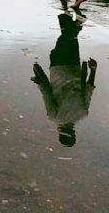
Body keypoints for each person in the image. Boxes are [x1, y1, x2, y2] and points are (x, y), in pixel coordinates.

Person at [31, 13, 97, 147]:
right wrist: (39, 78)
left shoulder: (83, 113)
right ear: (60, 132)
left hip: (75, 67)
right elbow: (47, 94)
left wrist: (93, 69)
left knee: (70, 39)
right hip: (59, 69)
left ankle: (70, 17)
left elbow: (89, 89)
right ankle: (76, 22)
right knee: (63, 40)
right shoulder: (55, 117)